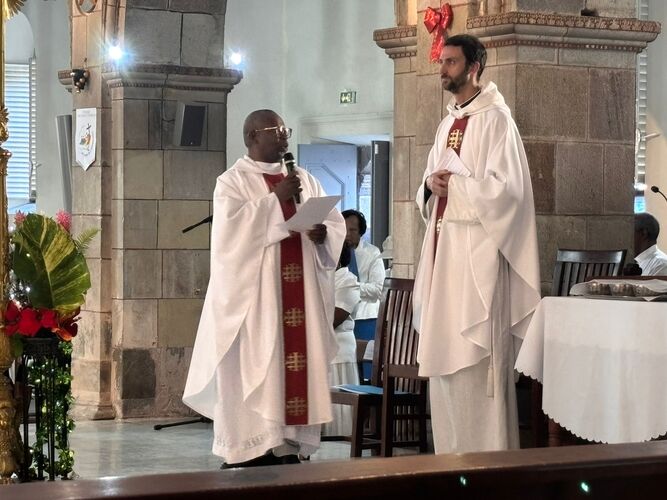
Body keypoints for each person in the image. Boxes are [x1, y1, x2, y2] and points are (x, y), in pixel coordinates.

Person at [183, 109, 346, 468]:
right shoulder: (232, 182)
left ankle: (287, 445)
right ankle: (250, 446)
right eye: (276, 130)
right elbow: (229, 237)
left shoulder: (304, 179)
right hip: (258, 304)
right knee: (262, 368)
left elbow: (333, 224)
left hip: (300, 299)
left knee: (290, 369)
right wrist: (275, 199)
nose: (284, 135)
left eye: (286, 129)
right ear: (252, 136)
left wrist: (323, 235)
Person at [412, 34, 541, 454]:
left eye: (451, 62)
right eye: (441, 61)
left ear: (474, 68)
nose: (442, 69)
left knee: (477, 365)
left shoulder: (497, 121)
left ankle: (489, 466)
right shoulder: (446, 124)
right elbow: (430, 186)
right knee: (446, 371)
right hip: (444, 257)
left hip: (477, 264)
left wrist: (458, 186)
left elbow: (509, 194)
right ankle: (449, 462)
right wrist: (430, 186)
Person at [323, 242, 361, 437]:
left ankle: (338, 439)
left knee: (337, 413)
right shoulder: (319, 278)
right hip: (318, 350)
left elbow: (333, 319)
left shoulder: (348, 281)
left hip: (339, 351)